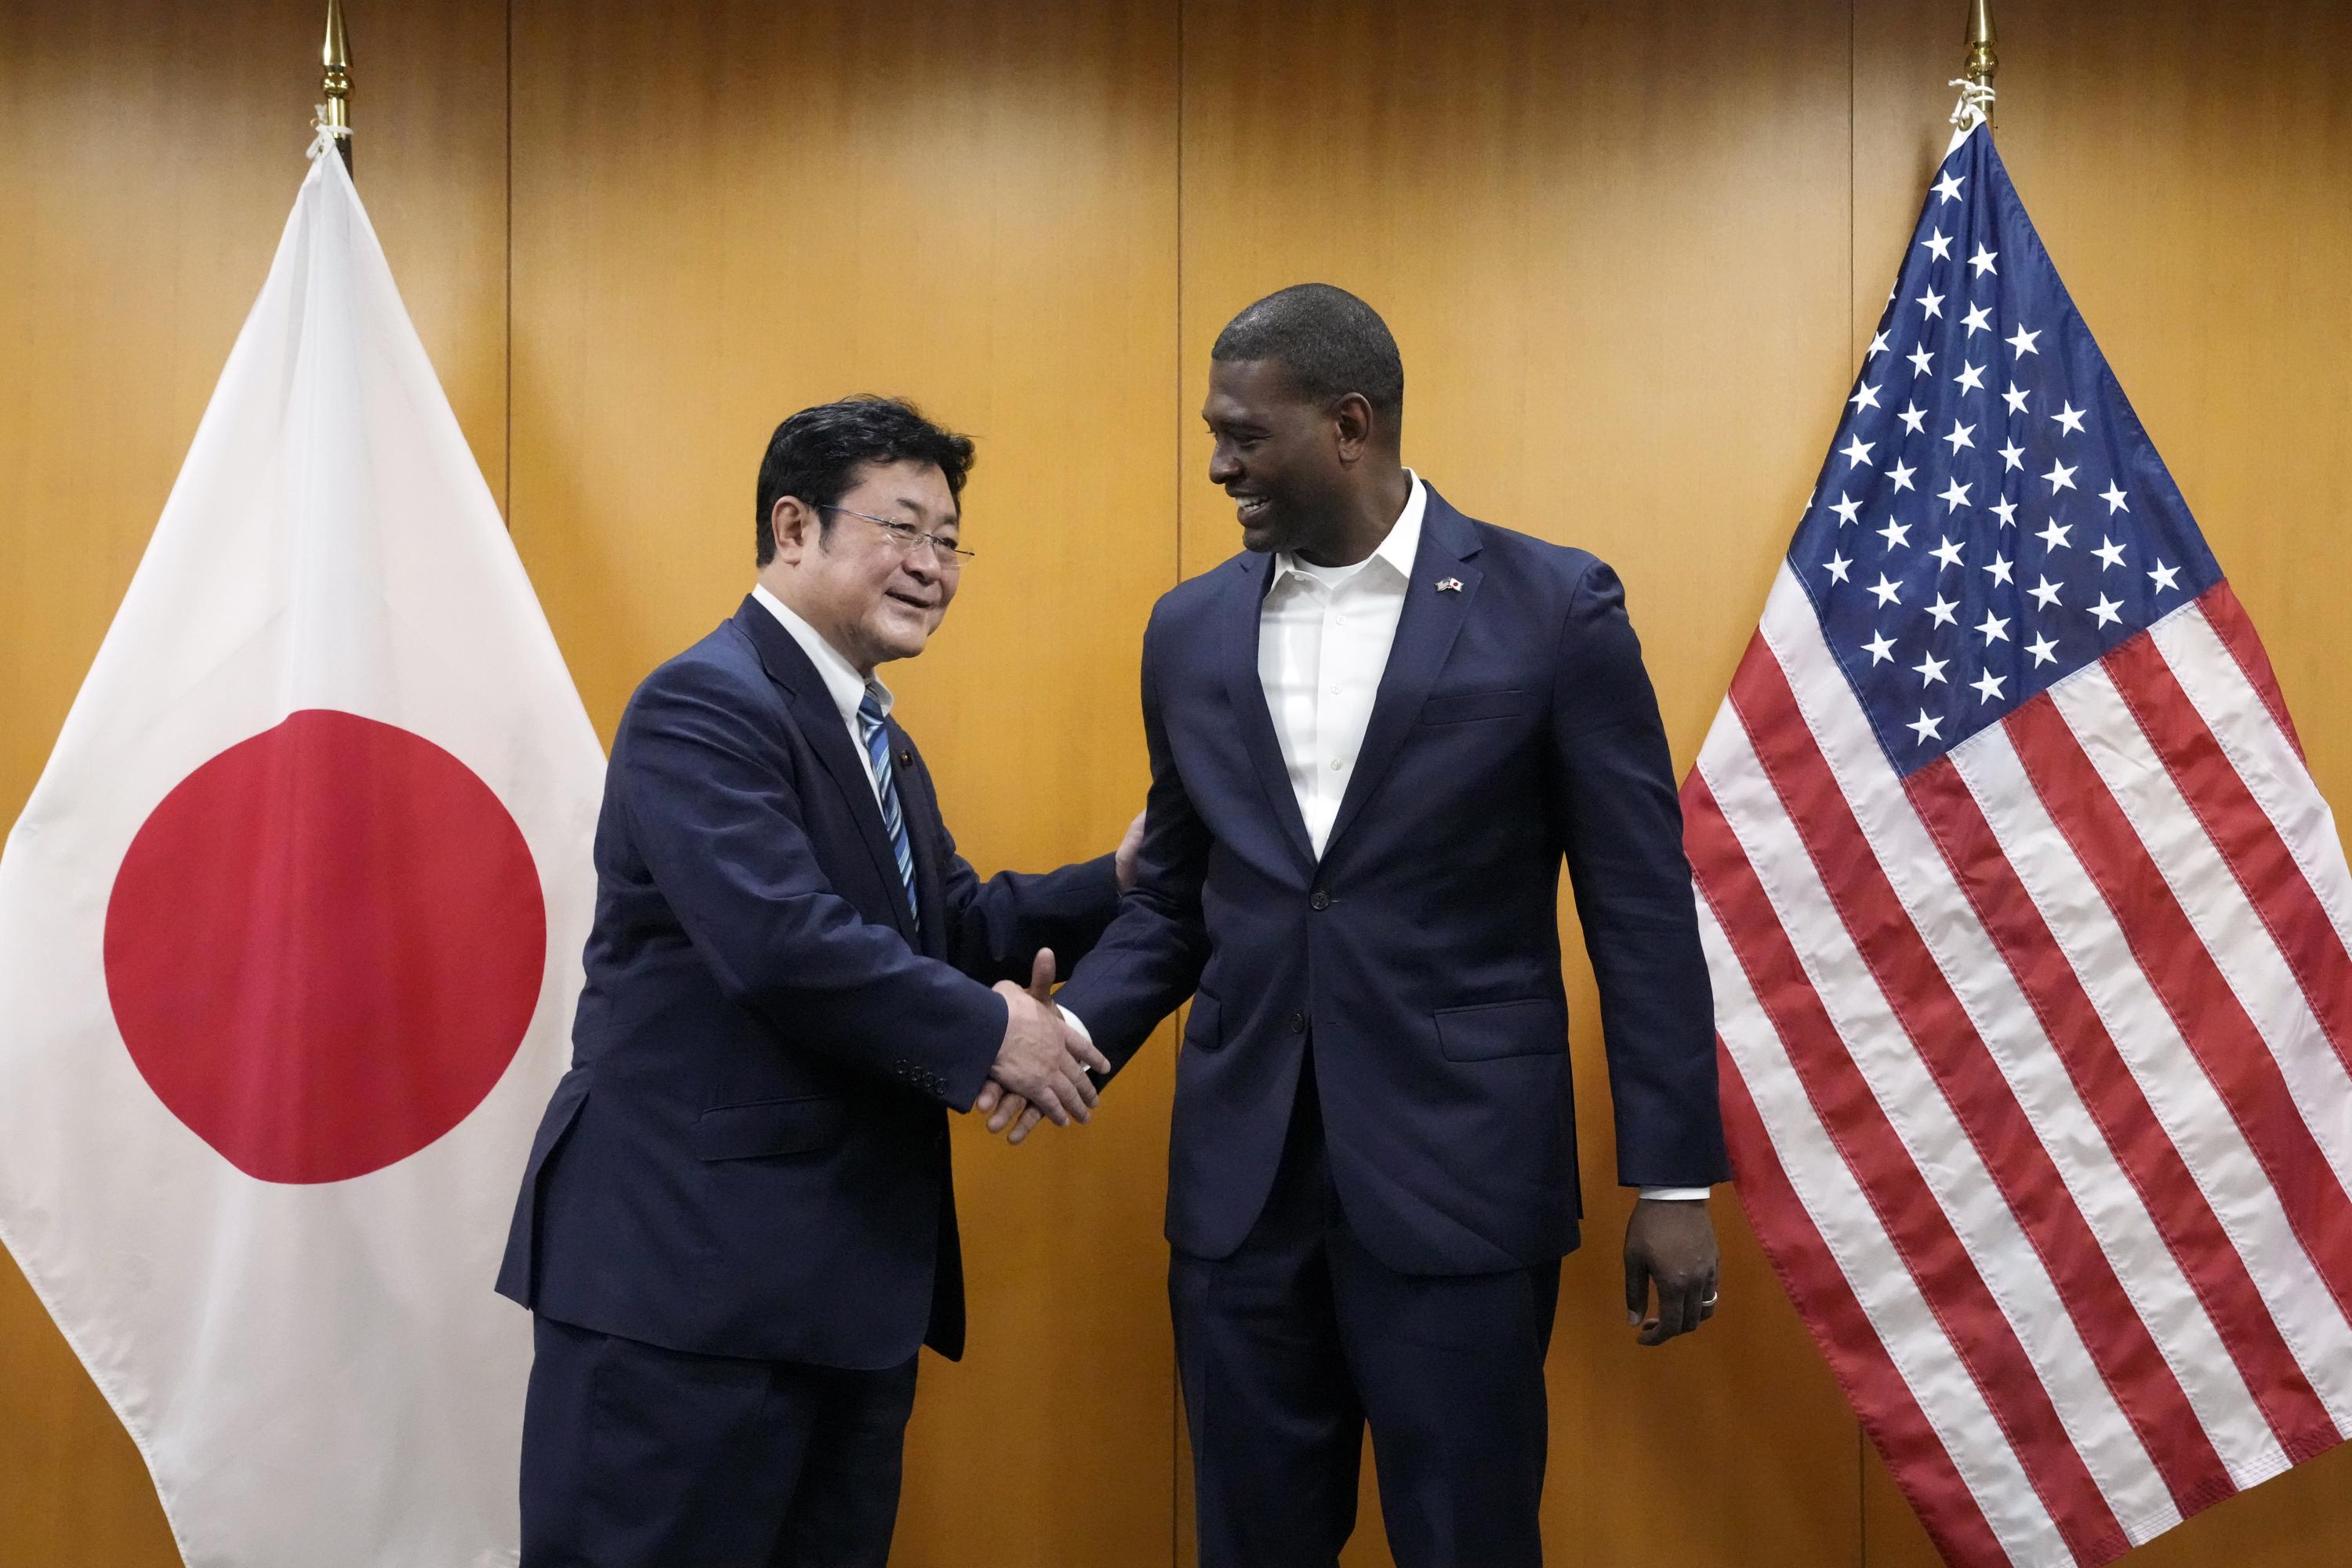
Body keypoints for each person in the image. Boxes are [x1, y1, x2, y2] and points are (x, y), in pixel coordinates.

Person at [1010, 285, 1729, 1567]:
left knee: (1467, 1541)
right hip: (1241, 1196)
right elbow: (1176, 897)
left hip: (1462, 1180)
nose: (1219, 465)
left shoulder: (1554, 607)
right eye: (1214, 434)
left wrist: (1671, 1180)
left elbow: (1639, 910)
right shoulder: (1187, 630)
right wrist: (1070, 1033)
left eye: (1244, 434)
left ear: (1349, 426)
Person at [495, 396, 1134, 1568]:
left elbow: (951, 926)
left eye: (951, 540)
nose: (933, 565)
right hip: (685, 1293)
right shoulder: (704, 704)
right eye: (903, 528)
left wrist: (1122, 879)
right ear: (794, 529)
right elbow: (784, 944)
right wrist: (993, 1032)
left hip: (840, 1296)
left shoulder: (878, 737)